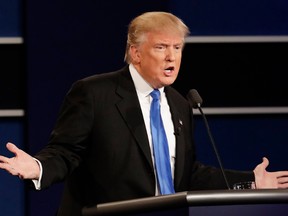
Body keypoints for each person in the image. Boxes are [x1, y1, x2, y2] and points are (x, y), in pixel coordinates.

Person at [1, 11, 288, 216]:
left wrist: (250, 180)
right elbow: (66, 152)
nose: (171, 57)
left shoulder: (180, 104)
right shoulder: (94, 93)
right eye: (161, 47)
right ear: (136, 53)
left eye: (177, 48)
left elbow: (186, 174)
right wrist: (38, 167)